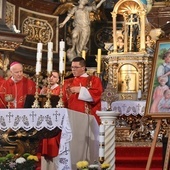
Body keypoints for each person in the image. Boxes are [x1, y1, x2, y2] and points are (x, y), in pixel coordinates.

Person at [62, 57, 103, 124]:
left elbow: (97, 95)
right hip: (70, 116)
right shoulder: (68, 82)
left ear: (83, 68)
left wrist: (81, 90)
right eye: (72, 67)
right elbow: (63, 99)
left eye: (76, 67)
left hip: (87, 117)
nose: (73, 70)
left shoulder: (93, 80)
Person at [39, 71, 61, 162]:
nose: (51, 78)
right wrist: (41, 94)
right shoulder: (45, 89)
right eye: (50, 76)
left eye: (54, 76)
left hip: (55, 117)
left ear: (58, 79)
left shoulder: (60, 89)